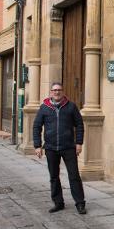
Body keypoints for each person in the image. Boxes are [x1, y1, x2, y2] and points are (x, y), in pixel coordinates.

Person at [33, 82, 86, 214]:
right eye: (54, 90)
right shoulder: (44, 107)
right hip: (51, 147)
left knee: (74, 176)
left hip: (68, 147)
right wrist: (37, 145)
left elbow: (79, 124)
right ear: (51, 92)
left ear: (62, 92)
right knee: (54, 176)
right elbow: (37, 126)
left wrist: (79, 143)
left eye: (59, 90)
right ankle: (58, 203)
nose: (57, 92)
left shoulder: (71, 107)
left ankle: (80, 203)